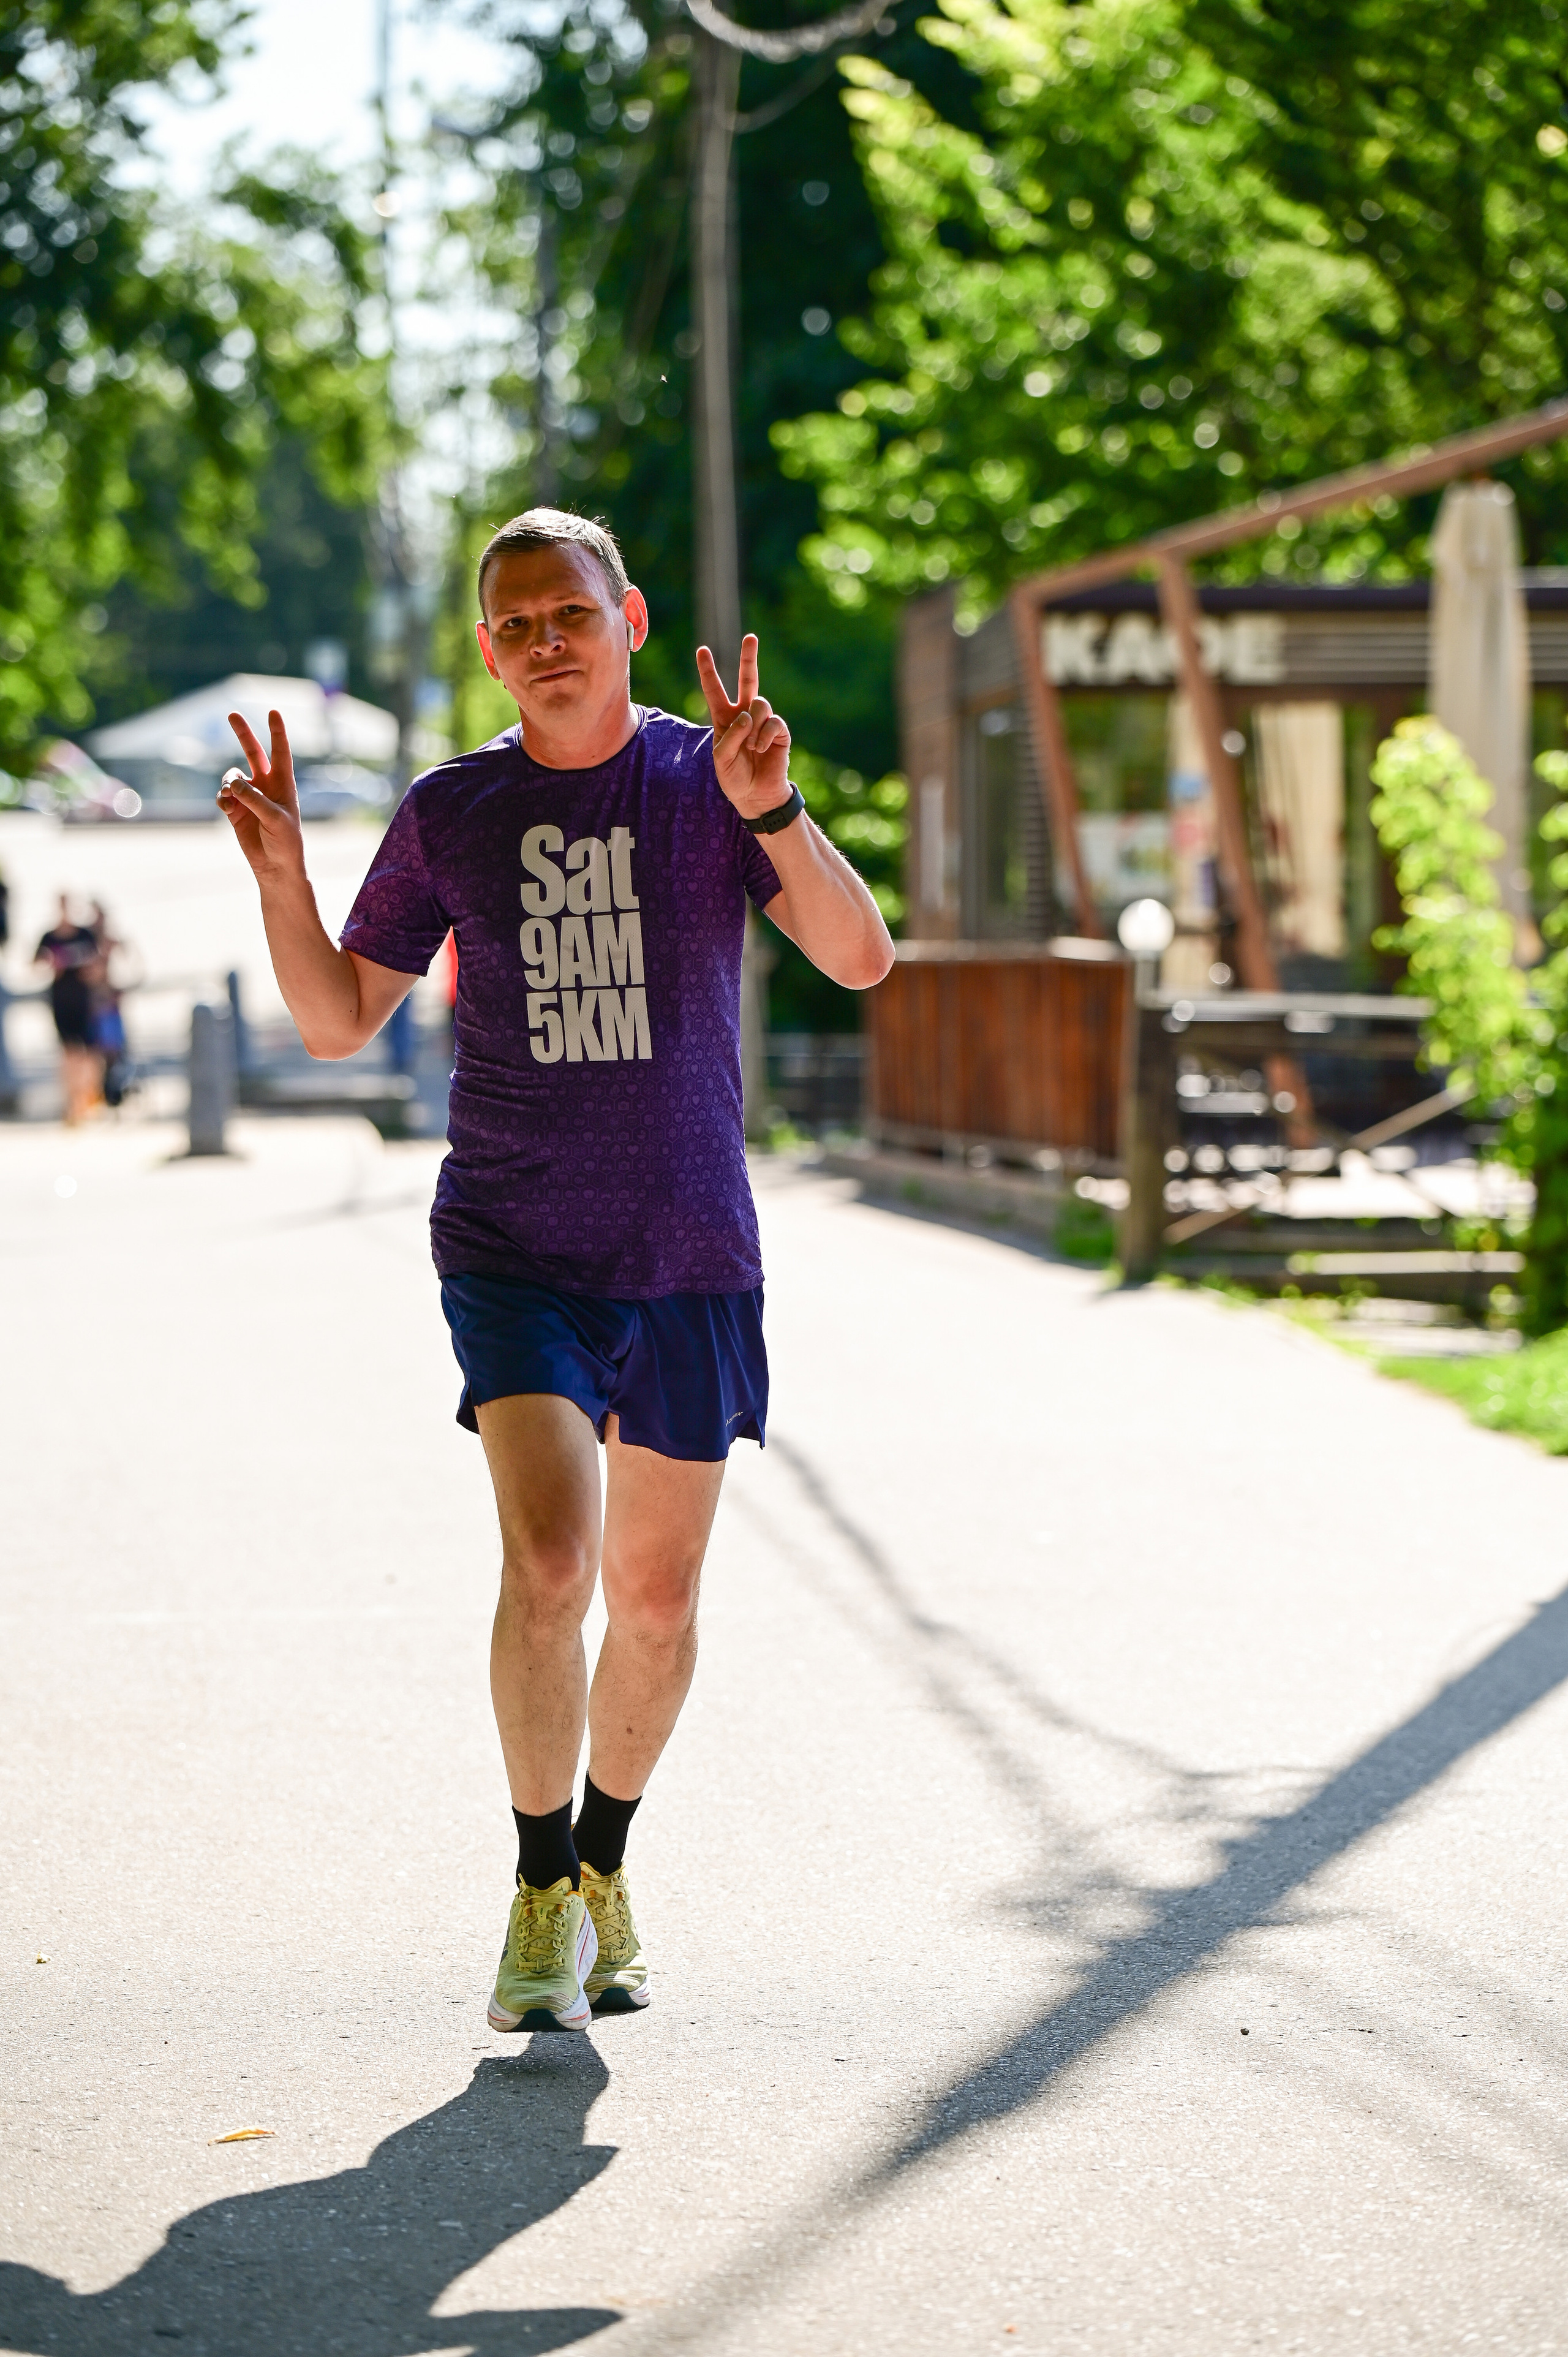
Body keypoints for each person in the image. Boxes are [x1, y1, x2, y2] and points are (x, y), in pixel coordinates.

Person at [217, 509, 892, 2033]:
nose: (542, 641)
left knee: (651, 1600)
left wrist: (775, 811)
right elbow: (337, 1019)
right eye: (512, 623)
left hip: (689, 1244)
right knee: (552, 1564)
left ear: (628, 616)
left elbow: (859, 960)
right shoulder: (452, 810)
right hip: (516, 1242)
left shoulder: (709, 776)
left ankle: (600, 1858)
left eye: (566, 611)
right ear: (485, 650)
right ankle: (535, 1890)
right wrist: (280, 877)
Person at [34, 894, 102, 1125]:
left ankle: (89, 1099)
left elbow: (99, 966)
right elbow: (34, 965)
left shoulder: (85, 935)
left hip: (85, 1003)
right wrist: (51, 963)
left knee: (90, 1055)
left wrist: (89, 969)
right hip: (61, 1001)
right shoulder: (49, 937)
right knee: (68, 1054)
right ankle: (72, 1105)